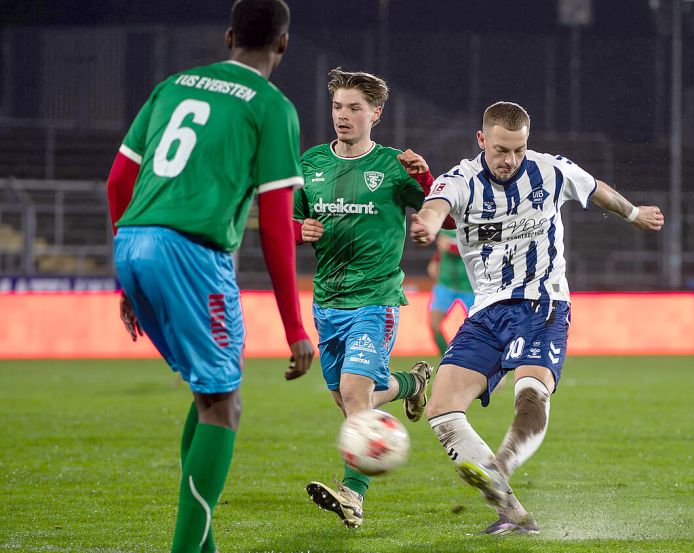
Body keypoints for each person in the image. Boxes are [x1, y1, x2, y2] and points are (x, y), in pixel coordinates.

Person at [106, 1, 315, 551]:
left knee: (206, 395)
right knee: (225, 405)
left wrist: (125, 279)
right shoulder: (272, 107)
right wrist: (294, 326)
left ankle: (204, 546)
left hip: (132, 241)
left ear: (228, 37)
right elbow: (274, 226)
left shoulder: (173, 85)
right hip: (192, 253)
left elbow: (116, 182)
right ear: (283, 44)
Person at [409, 101, 664, 535]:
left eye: (518, 150)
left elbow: (596, 188)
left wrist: (634, 213)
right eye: (500, 150)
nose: (510, 160)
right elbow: (437, 205)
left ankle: (499, 467)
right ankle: (515, 516)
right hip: (487, 311)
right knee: (441, 408)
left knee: (530, 394)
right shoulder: (461, 179)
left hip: (542, 303)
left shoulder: (550, 170)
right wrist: (429, 226)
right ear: (481, 141)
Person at [294, 68, 435, 529]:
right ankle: (413, 384)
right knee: (352, 402)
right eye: (338, 107)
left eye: (354, 107)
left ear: (375, 113)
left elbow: (444, 218)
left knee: (357, 399)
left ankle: (352, 497)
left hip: (375, 299)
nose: (344, 116)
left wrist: (426, 177)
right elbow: (282, 223)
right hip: (327, 301)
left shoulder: (395, 165)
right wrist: (299, 230)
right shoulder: (311, 163)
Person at [427, 228, 475, 356]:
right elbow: (441, 247)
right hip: (446, 283)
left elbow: (475, 247)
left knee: (481, 326)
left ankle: (479, 358)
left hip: (469, 285)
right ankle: (447, 357)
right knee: (434, 325)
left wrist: (451, 247)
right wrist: (436, 260)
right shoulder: (444, 223)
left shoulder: (472, 220)